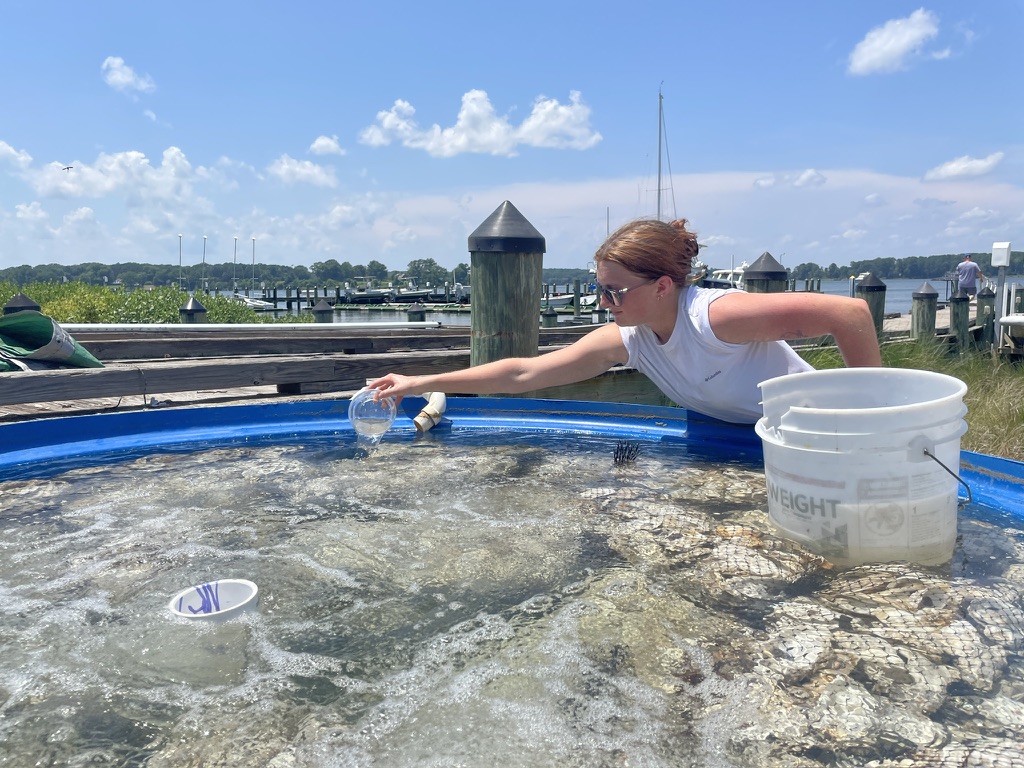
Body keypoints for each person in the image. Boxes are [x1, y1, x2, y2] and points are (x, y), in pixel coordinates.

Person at [368, 218, 882, 424]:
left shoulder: (714, 316)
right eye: (598, 289)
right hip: (752, 445)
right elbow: (525, 372)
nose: (603, 302)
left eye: (614, 291)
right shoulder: (631, 340)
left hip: (827, 437)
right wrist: (420, 381)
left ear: (662, 286)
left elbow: (849, 313)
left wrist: (879, 417)